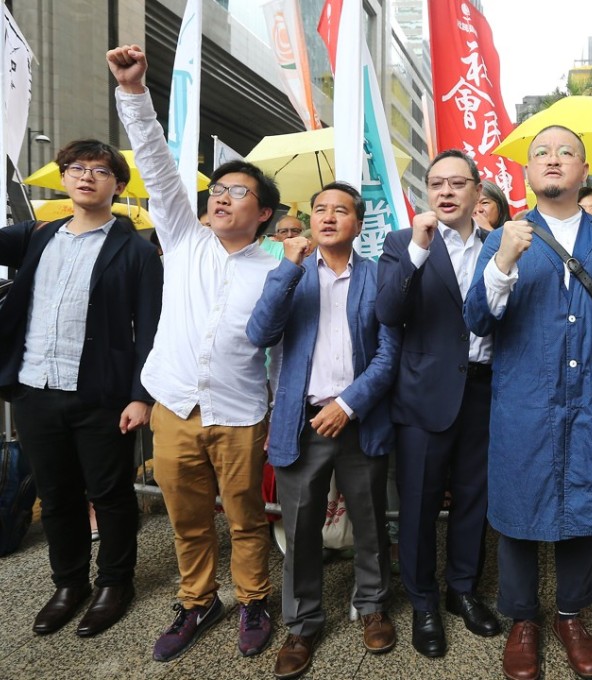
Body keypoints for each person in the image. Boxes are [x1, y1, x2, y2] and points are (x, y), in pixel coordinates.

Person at [107, 45, 281, 662]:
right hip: (174, 405)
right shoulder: (183, 240)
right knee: (187, 518)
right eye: (219, 189)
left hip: (238, 411)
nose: (222, 197)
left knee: (246, 515)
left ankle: (254, 597)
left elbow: (283, 349)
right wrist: (133, 92)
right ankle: (198, 601)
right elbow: (155, 164)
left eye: (238, 193)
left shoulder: (277, 269)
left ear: (262, 215)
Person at [465, 124, 592, 680]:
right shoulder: (505, 237)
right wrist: (501, 266)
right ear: (526, 172)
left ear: (583, 170)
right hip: (524, 399)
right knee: (519, 505)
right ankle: (524, 619)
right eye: (540, 152)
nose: (552, 159)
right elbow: (476, 320)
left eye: (565, 152)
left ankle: (571, 614)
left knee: (582, 503)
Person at [0, 139, 162, 638]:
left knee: (110, 493)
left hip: (101, 393)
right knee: (56, 493)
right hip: (34, 387)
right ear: (64, 178)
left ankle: (116, 583)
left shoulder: (135, 248)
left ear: (117, 183)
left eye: (99, 170)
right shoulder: (36, 236)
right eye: (75, 168)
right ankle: (68, 583)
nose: (86, 176)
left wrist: (141, 394)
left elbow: (152, 327)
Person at [246, 182, 400, 678]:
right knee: (301, 526)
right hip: (303, 419)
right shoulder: (290, 275)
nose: (328, 217)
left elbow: (389, 353)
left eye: (340, 211)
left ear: (358, 223)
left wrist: (349, 404)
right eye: (319, 209)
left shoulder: (378, 278)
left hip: (359, 420)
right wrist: (288, 268)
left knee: (371, 520)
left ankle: (373, 604)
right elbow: (260, 334)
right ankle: (303, 624)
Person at [376, 149, 499, 659]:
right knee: (421, 504)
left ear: (478, 192)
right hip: (424, 395)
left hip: (485, 390)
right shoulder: (404, 243)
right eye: (436, 184)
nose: (445, 192)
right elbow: (388, 309)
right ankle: (423, 600)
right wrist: (419, 253)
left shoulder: (499, 246)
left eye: (457, 183)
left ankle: (462, 591)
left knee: (474, 499)